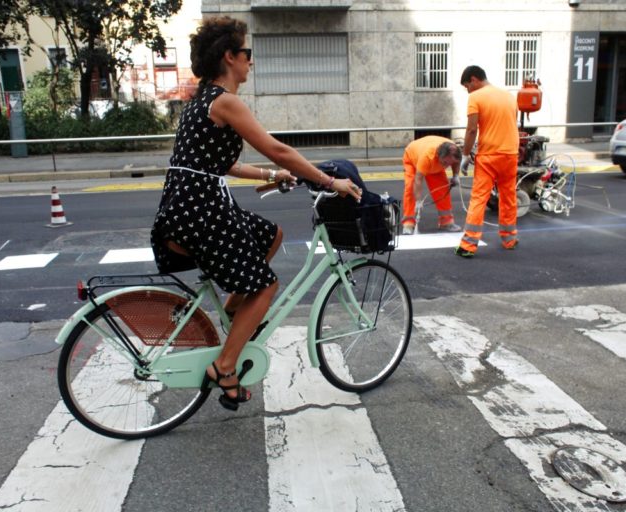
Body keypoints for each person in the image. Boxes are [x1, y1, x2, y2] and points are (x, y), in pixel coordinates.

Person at [150, 16, 361, 411]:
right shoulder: (226, 101)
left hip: (187, 208)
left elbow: (223, 164)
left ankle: (234, 313)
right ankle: (225, 367)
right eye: (247, 53)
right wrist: (330, 182)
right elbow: (278, 148)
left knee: (270, 235)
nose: (252, 61)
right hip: (201, 212)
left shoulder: (201, 103)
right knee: (265, 286)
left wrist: (271, 176)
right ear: (230, 57)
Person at [455, 65, 519, 258]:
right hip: (510, 154)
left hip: (489, 156)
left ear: (474, 80)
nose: (468, 90)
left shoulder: (476, 97)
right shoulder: (508, 96)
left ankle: (468, 245)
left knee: (479, 198)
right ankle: (510, 239)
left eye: (467, 86)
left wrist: (465, 155)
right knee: (508, 197)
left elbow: (472, 130)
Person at [400, 135, 463, 235]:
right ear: (439, 156)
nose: (446, 166)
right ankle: (408, 223)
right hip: (412, 158)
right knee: (410, 187)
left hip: (434, 164)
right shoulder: (427, 157)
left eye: (449, 164)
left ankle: (446, 222)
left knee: (442, 189)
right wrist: (418, 201)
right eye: (445, 163)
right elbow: (418, 180)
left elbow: (455, 162)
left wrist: (455, 175)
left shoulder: (454, 152)